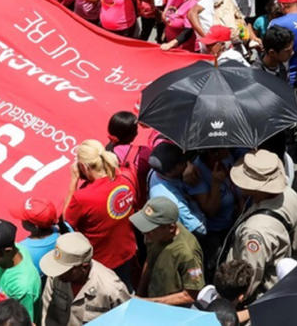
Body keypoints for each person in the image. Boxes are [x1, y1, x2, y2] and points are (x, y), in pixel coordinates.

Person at [223, 150, 297, 300]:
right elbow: (296, 241)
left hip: (262, 293)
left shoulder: (254, 232)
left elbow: (249, 276)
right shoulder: (291, 195)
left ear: (256, 188)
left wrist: (237, 301)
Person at [63, 140, 138, 285]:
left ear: (83, 167)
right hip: (127, 250)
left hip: (101, 261)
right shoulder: (126, 177)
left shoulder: (83, 197)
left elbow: (66, 219)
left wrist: (73, 181)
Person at [39, 232, 131, 326]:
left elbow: (127, 320)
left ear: (84, 267)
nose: (59, 274)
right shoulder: (55, 277)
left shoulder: (111, 289)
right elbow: (47, 313)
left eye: (65, 270)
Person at [130, 196, 205, 305]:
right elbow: (150, 260)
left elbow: (191, 294)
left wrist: (150, 302)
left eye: (150, 229)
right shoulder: (154, 235)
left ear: (171, 228)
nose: (144, 234)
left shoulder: (187, 253)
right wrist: (140, 294)